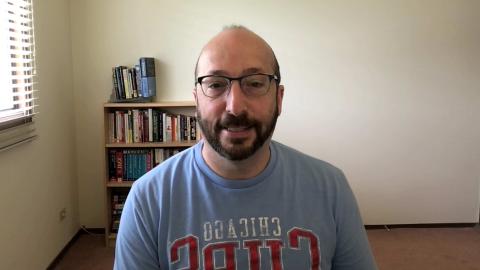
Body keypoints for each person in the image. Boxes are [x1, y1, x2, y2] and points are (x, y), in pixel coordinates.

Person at [114, 25, 377, 270]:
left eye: (254, 83)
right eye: (216, 85)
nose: (235, 106)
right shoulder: (148, 200)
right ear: (196, 102)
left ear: (279, 98)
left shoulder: (330, 188)